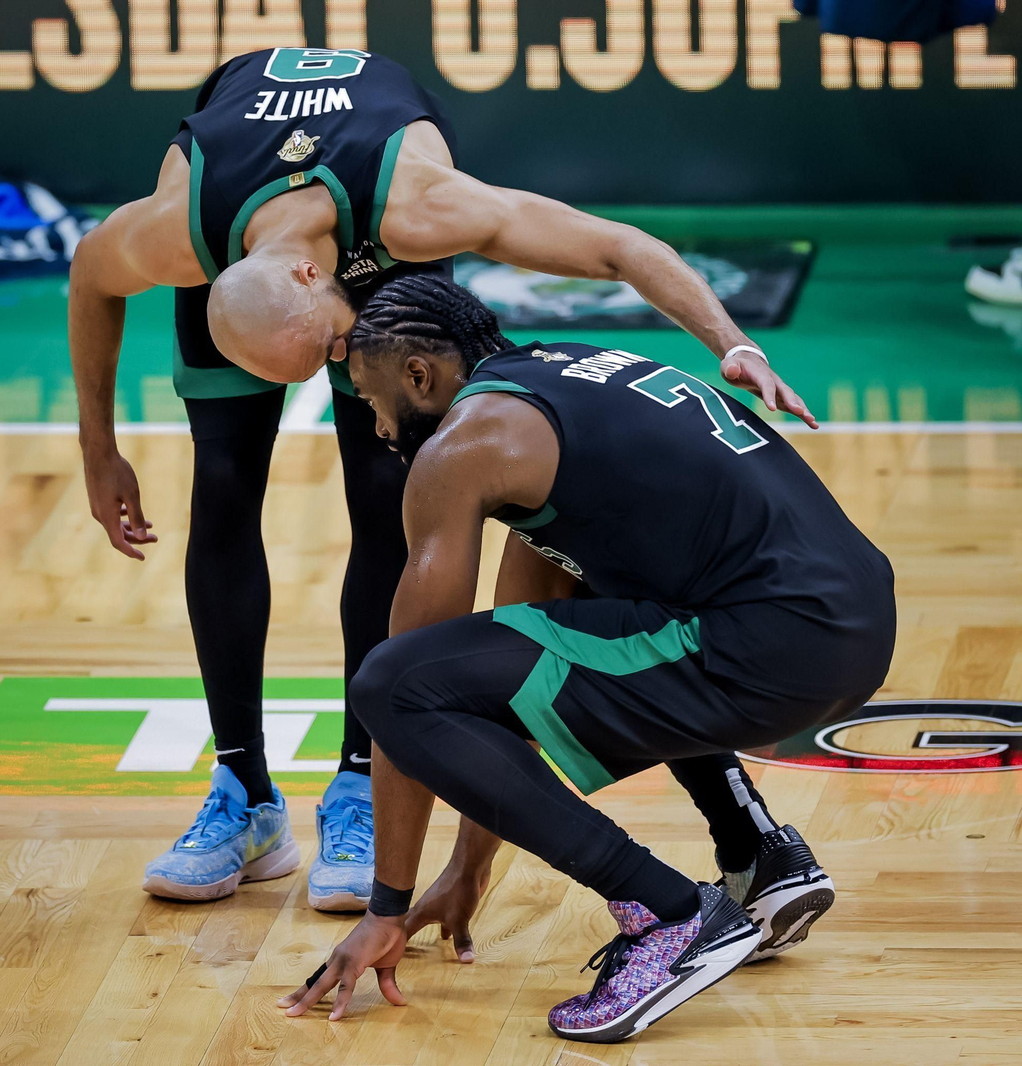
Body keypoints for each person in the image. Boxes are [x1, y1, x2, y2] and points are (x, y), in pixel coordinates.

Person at [69, 47, 815, 911]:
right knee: (225, 484)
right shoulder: (179, 236)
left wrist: (734, 343)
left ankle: (358, 781)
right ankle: (242, 792)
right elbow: (91, 272)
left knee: (391, 503)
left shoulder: (419, 208)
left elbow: (616, 246)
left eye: (328, 356)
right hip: (254, 242)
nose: (326, 377)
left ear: (315, 279)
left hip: (371, 235)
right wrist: (99, 448)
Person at [278, 275, 895, 1043]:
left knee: (389, 682)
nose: (374, 425)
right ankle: (758, 853)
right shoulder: (562, 377)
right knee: (601, 635)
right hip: (851, 618)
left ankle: (669, 917)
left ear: (418, 376)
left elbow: (403, 689)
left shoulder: (465, 446)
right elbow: (517, 671)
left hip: (773, 644)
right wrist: (471, 867)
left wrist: (387, 907)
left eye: (370, 398)